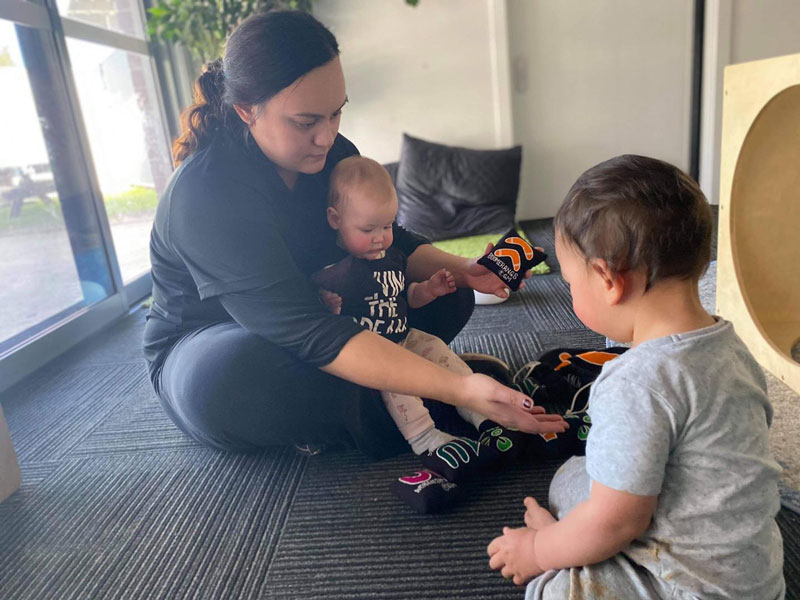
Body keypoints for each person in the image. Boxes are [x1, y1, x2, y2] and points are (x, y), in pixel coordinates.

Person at [143, 10, 567, 461]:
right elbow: (305, 330)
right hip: (216, 337)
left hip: (326, 311)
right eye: (306, 122)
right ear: (247, 109)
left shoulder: (332, 156)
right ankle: (419, 393)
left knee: (449, 294)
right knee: (232, 378)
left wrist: (465, 271)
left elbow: (388, 239)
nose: (327, 137)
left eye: (336, 114)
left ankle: (388, 397)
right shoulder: (206, 193)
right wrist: (460, 388)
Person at [487, 155, 785, 599]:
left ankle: (564, 542)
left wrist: (539, 549)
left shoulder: (635, 383)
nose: (570, 291)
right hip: (754, 579)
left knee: (552, 589)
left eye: (569, 282)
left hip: (685, 586)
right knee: (574, 476)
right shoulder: (729, 347)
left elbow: (618, 523)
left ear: (608, 280)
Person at [313, 155, 549, 460]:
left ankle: (477, 409)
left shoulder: (392, 256)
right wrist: (325, 303)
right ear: (335, 220)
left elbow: (403, 296)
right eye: (368, 229)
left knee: (438, 349)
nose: (379, 238)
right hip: (371, 353)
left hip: (403, 334)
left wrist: (428, 290)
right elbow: (311, 315)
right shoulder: (334, 271)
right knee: (398, 386)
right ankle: (424, 436)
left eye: (386, 226)